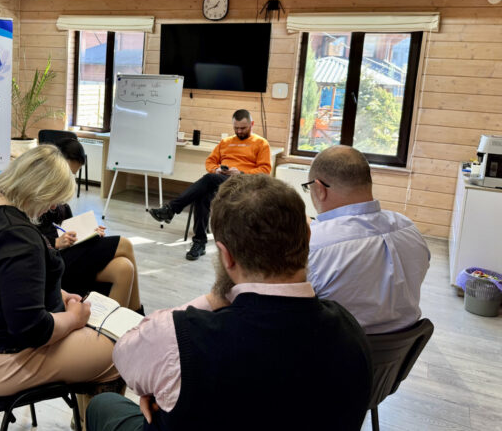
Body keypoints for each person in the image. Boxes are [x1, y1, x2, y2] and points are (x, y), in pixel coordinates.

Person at [87, 175, 373, 431]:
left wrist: (216, 296)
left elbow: (124, 355)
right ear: (308, 237)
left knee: (104, 405)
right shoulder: (352, 331)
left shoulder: (180, 337)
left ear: (227, 256)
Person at [0, 145, 120, 426]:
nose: (52, 208)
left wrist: (57, 294)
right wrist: (73, 319)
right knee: (121, 351)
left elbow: (5, 285)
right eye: (52, 200)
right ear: (37, 190)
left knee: (100, 336)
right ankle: (91, 421)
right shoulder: (17, 236)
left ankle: (85, 418)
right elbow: (32, 329)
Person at [306, 145, 431, 334]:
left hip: (337, 348)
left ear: (319, 188)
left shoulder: (314, 245)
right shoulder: (409, 228)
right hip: (402, 348)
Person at [147, 109, 271, 261]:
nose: (239, 131)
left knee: (209, 179)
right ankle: (199, 242)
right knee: (203, 195)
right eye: (236, 128)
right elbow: (210, 162)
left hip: (244, 185)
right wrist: (217, 169)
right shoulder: (225, 142)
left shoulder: (261, 143)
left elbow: (265, 170)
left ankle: (171, 209)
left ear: (252, 124)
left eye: (243, 128)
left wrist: (240, 173)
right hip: (221, 181)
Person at [38, 138, 142, 313]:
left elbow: (67, 228)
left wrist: (88, 232)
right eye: (68, 173)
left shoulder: (59, 202)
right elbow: (30, 238)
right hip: (55, 259)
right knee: (125, 244)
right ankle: (140, 315)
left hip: (68, 253)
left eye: (73, 175)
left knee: (124, 268)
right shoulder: (36, 198)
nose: (69, 180)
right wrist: (55, 242)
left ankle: (120, 324)